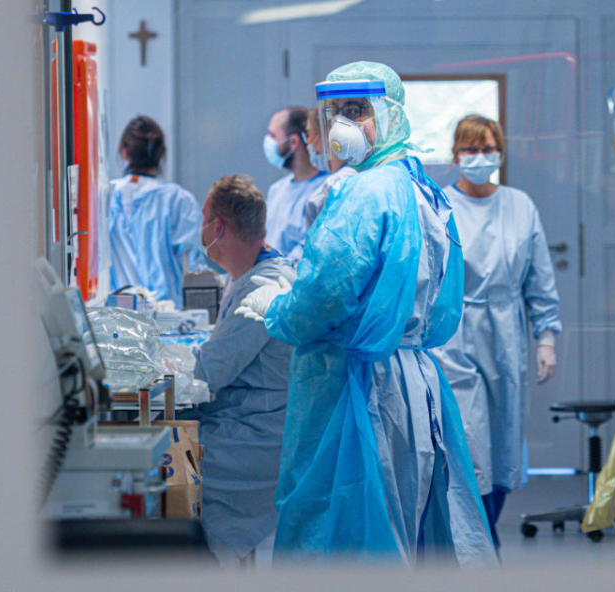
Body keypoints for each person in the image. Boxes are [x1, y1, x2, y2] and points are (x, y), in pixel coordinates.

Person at [235, 62, 496, 568]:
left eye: (358, 110)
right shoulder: (420, 186)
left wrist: (277, 310)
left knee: (346, 537)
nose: (341, 126)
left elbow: (324, 299)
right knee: (404, 532)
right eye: (334, 112)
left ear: (390, 114)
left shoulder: (365, 191)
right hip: (413, 379)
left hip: (359, 385)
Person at [432, 114, 562, 548]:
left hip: (506, 336)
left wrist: (546, 338)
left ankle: (486, 541)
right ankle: (479, 546)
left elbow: (540, 280)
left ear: (501, 153)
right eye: (471, 149)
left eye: (488, 148)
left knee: (504, 446)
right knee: (469, 444)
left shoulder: (520, 206)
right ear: (455, 156)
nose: (480, 157)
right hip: (455, 336)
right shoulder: (440, 206)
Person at [181, 174, 295, 566]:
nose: (200, 229)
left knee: (170, 465)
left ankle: (200, 567)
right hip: (253, 422)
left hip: (257, 438)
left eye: (203, 219)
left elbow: (208, 373)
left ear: (218, 228)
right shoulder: (255, 277)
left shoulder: (265, 289)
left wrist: (159, 363)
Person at [108, 115, 208, 308]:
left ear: (124, 153)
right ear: (161, 155)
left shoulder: (104, 197)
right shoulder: (179, 200)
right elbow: (193, 272)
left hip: (117, 318)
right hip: (169, 318)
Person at [262, 106, 330, 261]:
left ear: (293, 142)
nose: (268, 141)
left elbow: (310, 250)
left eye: (273, 135)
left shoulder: (325, 189)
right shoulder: (276, 190)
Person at [302, 107, 356, 229]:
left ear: (328, 135)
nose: (309, 145)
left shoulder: (331, 189)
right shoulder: (370, 172)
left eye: (309, 135)